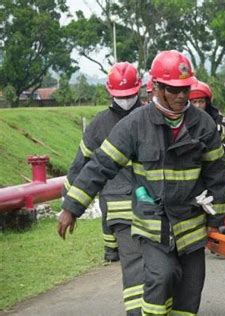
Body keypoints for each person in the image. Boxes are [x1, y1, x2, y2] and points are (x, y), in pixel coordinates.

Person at [58, 50, 225, 315]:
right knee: (161, 277)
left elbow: (216, 175)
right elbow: (100, 164)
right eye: (173, 90)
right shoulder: (135, 125)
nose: (182, 96)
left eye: (185, 89)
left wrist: (217, 221)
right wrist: (71, 207)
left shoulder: (203, 124)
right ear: (157, 87)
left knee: (189, 294)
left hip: (191, 225)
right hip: (153, 225)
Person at [62, 62, 143, 315]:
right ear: (110, 93)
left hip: (151, 208)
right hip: (122, 210)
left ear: (139, 90)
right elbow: (81, 166)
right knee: (135, 269)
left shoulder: (152, 116)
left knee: (156, 268)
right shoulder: (101, 124)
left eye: (130, 95)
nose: (126, 100)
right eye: (121, 96)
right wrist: (69, 204)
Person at [189, 80, 225, 189]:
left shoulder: (218, 120)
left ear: (207, 102)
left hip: (216, 170)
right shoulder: (182, 121)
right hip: (192, 172)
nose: (198, 105)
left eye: (201, 101)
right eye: (194, 102)